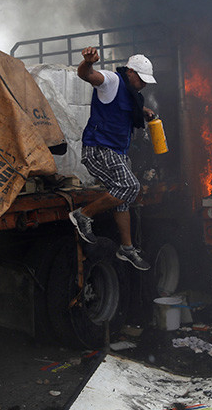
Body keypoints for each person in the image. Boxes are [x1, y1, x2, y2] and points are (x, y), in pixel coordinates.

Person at [69, 46, 157, 271]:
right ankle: (83, 215)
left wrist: (144, 110)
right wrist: (88, 62)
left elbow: (129, 105)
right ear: (130, 72)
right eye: (141, 79)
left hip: (118, 152)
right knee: (129, 186)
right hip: (99, 149)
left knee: (123, 198)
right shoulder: (112, 80)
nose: (144, 84)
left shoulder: (132, 93)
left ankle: (126, 248)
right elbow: (87, 75)